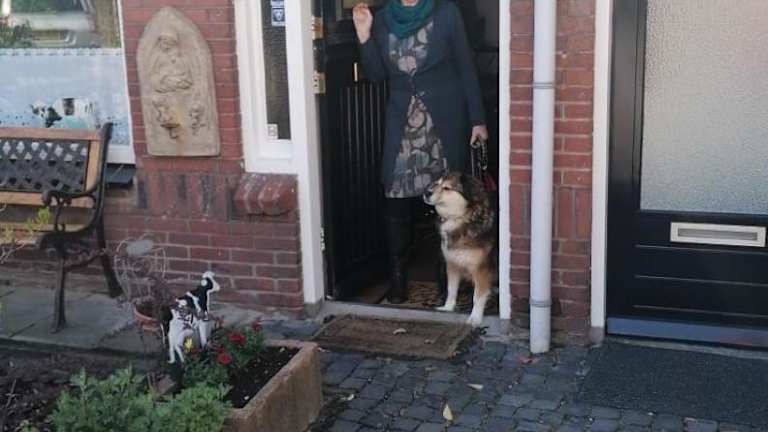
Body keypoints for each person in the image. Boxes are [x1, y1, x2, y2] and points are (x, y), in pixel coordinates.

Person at [353, 0, 488, 303]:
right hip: (403, 123)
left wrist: (477, 119)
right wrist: (363, 34)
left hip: (443, 121)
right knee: (395, 198)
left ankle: (445, 283)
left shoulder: (446, 12)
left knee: (447, 201)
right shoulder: (382, 19)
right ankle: (398, 281)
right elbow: (376, 74)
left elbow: (465, 66)